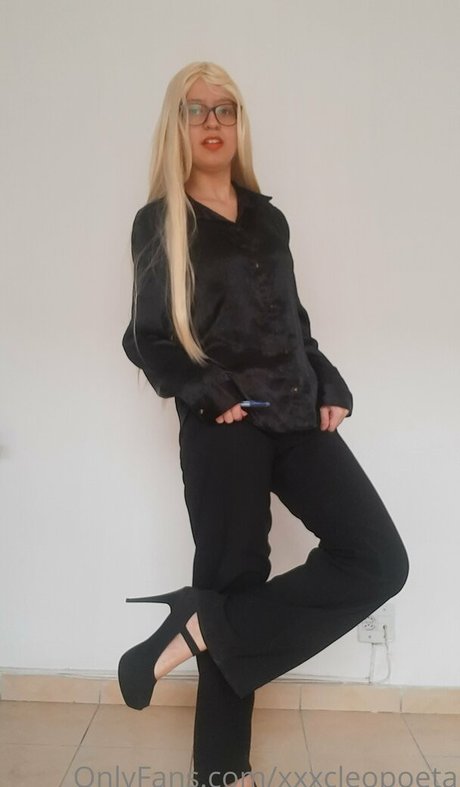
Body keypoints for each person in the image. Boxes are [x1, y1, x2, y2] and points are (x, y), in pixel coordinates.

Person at [118, 61, 410, 787]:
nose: (212, 121)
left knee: (377, 558)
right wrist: (204, 390)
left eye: (226, 108)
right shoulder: (160, 222)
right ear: (177, 126)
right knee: (233, 580)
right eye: (196, 109)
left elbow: (293, 324)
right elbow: (145, 338)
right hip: (223, 425)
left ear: (240, 123)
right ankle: (221, 772)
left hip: (296, 410)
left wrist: (328, 381)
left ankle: (196, 625)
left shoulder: (268, 218)